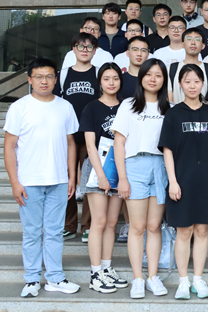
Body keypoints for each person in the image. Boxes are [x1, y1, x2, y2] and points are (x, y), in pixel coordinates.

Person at [4, 58, 81, 298]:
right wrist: (15, 182)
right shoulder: (19, 107)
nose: (44, 81)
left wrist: (72, 176)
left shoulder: (65, 106)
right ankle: (32, 279)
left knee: (55, 231)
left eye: (48, 76)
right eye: (39, 76)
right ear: (30, 79)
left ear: (55, 79)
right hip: (29, 181)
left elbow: (71, 143)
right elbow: (9, 146)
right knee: (32, 232)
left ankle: (55, 278)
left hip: (58, 180)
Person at [160, 64, 208, 300]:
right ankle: (183, 281)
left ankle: (198, 279)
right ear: (180, 85)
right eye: (187, 81)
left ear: (202, 83)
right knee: (184, 231)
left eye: (197, 81)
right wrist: (173, 181)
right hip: (182, 181)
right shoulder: (173, 114)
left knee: (202, 230)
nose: (192, 86)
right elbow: (167, 149)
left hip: (206, 181)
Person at [111, 58, 170, 299]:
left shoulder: (169, 108)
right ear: (141, 77)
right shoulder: (128, 105)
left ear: (164, 80)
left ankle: (153, 277)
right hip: (134, 165)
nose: (153, 79)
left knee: (154, 226)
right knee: (136, 227)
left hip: (160, 166)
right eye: (148, 74)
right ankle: (138, 278)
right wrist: (122, 178)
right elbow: (119, 143)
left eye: (158, 75)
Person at [79, 63, 127, 293]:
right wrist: (100, 176)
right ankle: (95, 273)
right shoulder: (91, 108)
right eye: (106, 78)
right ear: (100, 81)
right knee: (98, 222)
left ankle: (107, 268)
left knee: (111, 223)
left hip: (118, 168)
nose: (111, 82)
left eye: (115, 78)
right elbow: (90, 146)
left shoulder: (126, 107)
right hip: (97, 168)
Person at [54, 33, 101, 242]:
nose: (84, 50)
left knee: (91, 182)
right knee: (66, 180)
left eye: (89, 47)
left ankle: (89, 225)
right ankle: (69, 224)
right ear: (73, 49)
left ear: (95, 51)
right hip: (67, 137)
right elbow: (54, 102)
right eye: (80, 46)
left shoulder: (99, 73)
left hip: (93, 136)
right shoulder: (63, 74)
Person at [167, 27, 208, 103]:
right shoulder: (171, 69)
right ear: (182, 44)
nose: (193, 42)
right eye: (189, 39)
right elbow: (169, 99)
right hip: (177, 110)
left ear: (203, 46)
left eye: (197, 39)